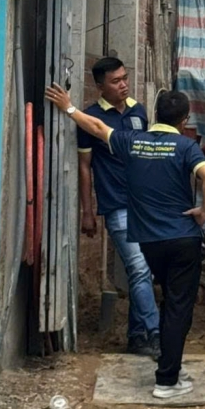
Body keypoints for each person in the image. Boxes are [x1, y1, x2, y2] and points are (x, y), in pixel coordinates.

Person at [49, 82, 205, 401]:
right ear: (184, 120)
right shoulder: (185, 147)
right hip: (182, 237)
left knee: (168, 301)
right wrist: (204, 210)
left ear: (156, 114)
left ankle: (171, 365)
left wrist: (68, 107)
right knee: (179, 308)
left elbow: (97, 127)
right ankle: (167, 380)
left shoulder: (132, 141)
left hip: (149, 241)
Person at [75, 56, 160, 358]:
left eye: (125, 78)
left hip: (144, 205)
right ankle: (154, 333)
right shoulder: (91, 118)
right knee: (138, 269)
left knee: (144, 272)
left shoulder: (138, 111)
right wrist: (88, 211)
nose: (123, 85)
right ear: (100, 86)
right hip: (117, 206)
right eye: (115, 81)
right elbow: (85, 166)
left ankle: (137, 337)